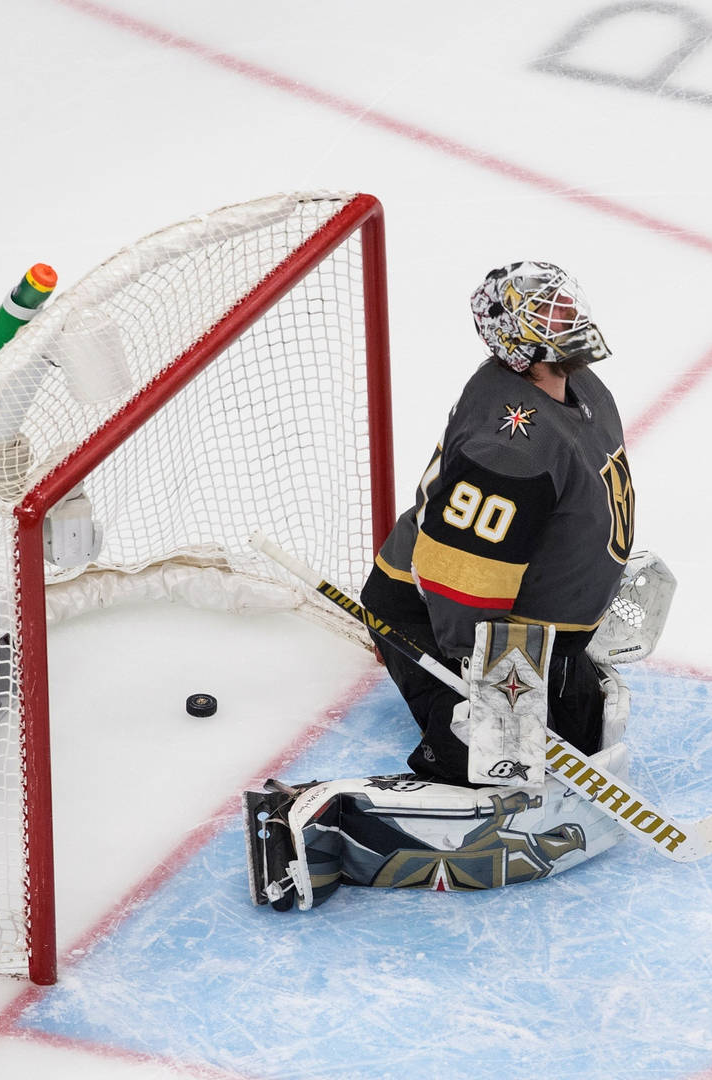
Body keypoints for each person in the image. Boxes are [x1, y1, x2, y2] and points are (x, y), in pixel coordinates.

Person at [242, 260, 649, 911]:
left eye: (566, 305)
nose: (566, 319)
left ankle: (515, 716)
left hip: (534, 628)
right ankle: (320, 823)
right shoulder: (508, 448)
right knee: (493, 767)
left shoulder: (580, 387)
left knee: (584, 734)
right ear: (516, 335)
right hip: (440, 620)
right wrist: (482, 688)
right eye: (548, 313)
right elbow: (461, 584)